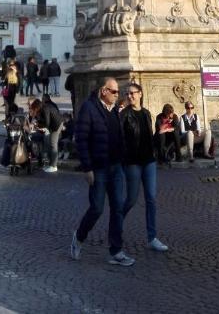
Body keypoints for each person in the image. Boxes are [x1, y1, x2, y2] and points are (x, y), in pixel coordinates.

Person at [71, 77, 133, 266]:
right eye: (114, 92)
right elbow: (81, 139)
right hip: (98, 168)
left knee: (118, 208)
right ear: (103, 91)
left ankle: (116, 250)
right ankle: (79, 237)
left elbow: (118, 136)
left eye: (117, 92)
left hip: (116, 167)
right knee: (97, 208)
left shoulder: (114, 110)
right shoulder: (88, 108)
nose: (117, 95)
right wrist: (87, 167)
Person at [121, 82, 168, 251]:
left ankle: (152, 237)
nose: (129, 96)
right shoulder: (124, 115)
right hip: (133, 162)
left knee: (151, 199)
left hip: (149, 161)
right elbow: (122, 141)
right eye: (127, 94)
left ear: (140, 93)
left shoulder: (147, 113)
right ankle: (116, 224)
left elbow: (149, 139)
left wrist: (159, 134)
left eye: (132, 93)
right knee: (131, 200)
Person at [30, 96, 63, 173]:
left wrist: (38, 125)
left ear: (37, 107)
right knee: (51, 144)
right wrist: (38, 123)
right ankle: (51, 164)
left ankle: (54, 166)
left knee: (53, 145)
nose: (35, 110)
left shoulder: (45, 109)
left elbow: (47, 123)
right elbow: (45, 121)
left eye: (35, 109)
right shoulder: (43, 108)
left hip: (56, 126)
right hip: (54, 125)